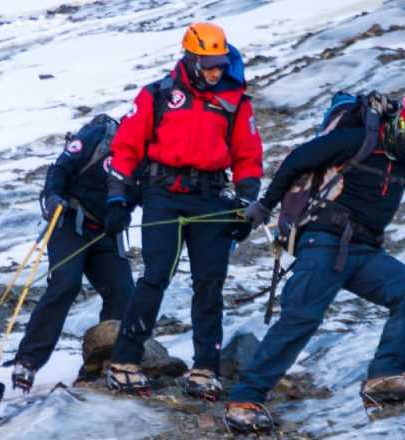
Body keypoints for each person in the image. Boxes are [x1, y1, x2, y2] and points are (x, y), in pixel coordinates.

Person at [223, 91, 405, 433]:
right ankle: (244, 400)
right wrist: (266, 204)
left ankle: (385, 377)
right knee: (301, 318)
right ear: (403, 122)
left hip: (364, 250)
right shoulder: (356, 140)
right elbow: (298, 160)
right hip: (324, 241)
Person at [103, 22, 264, 401]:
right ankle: (125, 359)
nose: (216, 71)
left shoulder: (235, 102)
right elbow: (126, 148)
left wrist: (246, 201)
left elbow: (248, 156)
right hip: (162, 195)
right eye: (208, 65)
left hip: (211, 199)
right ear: (190, 59)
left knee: (210, 283)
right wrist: (117, 199)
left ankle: (206, 367)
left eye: (220, 64)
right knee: (155, 276)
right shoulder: (157, 94)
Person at [9, 115, 136, 392]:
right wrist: (53, 196)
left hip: (107, 231)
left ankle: (99, 366)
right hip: (71, 221)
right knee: (65, 283)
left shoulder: (148, 155)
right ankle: (28, 361)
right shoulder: (100, 135)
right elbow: (61, 168)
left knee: (123, 292)